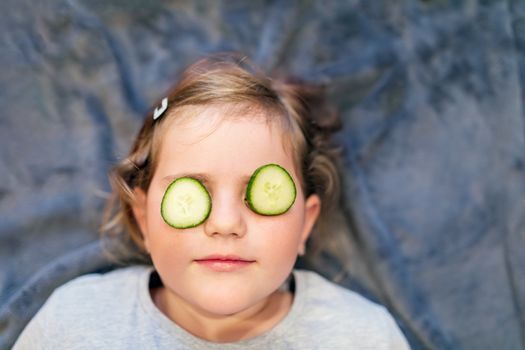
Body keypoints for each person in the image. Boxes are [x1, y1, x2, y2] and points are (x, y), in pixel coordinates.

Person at [13, 53, 410, 349]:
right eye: (191, 191)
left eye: (261, 195)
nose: (225, 223)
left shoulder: (362, 336)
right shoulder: (75, 322)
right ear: (144, 220)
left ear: (304, 224)